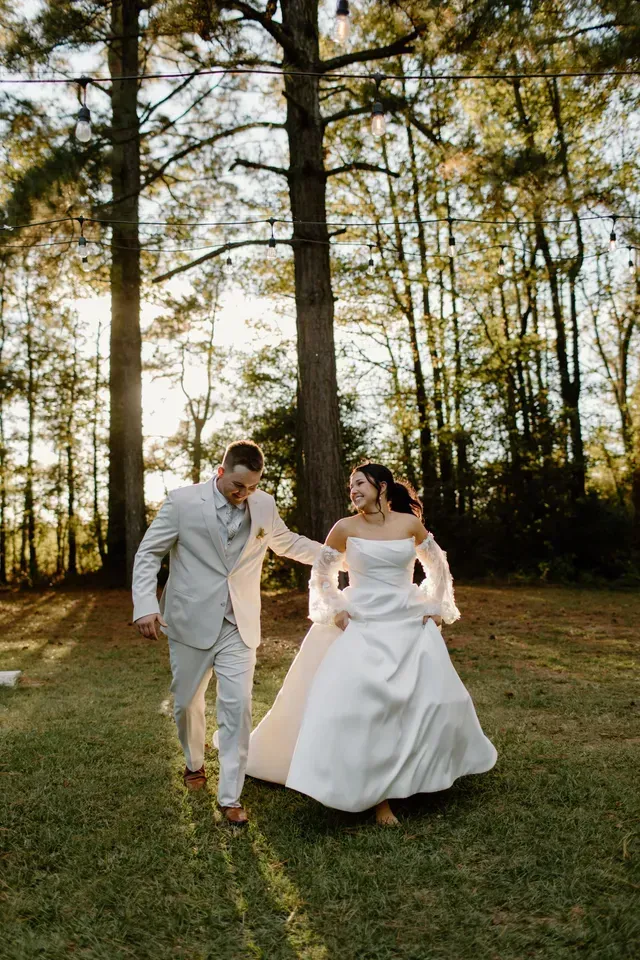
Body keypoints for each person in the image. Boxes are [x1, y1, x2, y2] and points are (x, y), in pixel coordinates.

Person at [246, 462, 497, 825]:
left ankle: (423, 777)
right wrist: (337, 610)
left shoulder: (408, 524)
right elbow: (322, 573)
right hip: (362, 621)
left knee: (433, 700)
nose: (353, 490)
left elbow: (437, 563)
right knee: (367, 703)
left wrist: (436, 606)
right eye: (350, 486)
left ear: (381, 487)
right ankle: (377, 798)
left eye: (359, 483)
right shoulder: (344, 528)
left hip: (406, 617)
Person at [131, 440, 322, 826]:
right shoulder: (183, 503)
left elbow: (287, 543)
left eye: (252, 487)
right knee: (187, 702)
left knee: (236, 707)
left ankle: (230, 796)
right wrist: (145, 604)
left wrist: (337, 555)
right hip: (188, 619)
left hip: (240, 623)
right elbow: (149, 553)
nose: (244, 494)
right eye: (238, 485)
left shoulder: (264, 505)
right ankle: (194, 763)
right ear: (220, 472)